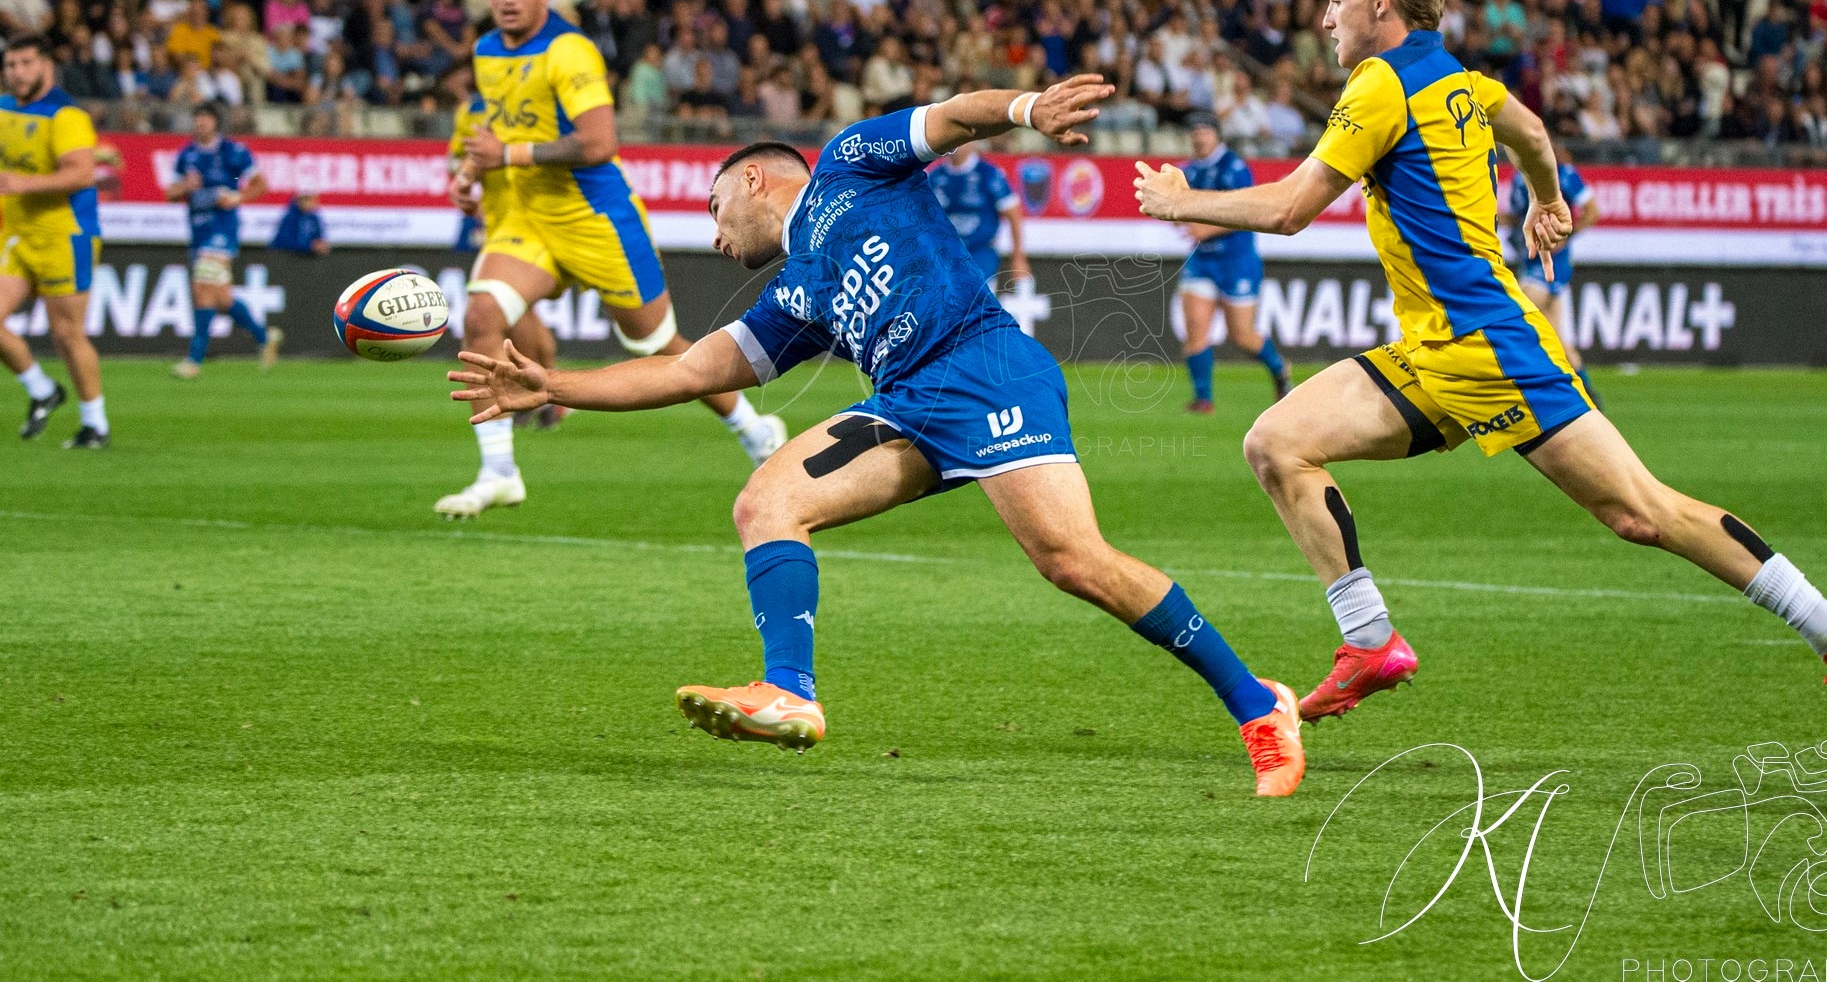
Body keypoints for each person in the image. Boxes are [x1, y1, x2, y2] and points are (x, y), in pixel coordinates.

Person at [1133, 0, 1827, 749]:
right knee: (1277, 443)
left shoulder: (1384, 85)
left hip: (1492, 348)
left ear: (1378, 3)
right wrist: (1546, 201)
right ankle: (1371, 641)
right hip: (1431, 354)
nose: (1324, 18)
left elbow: (1289, 209)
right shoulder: (1461, 81)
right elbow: (1529, 130)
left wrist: (1183, 204)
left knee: (1644, 513)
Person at [449, 76, 1309, 797]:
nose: (715, 235)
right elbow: (686, 372)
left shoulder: (853, 162)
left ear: (755, 182)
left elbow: (953, 118)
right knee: (767, 499)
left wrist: (1027, 110)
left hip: (986, 369)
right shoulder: (796, 295)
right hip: (904, 405)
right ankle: (790, 692)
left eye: (715, 209)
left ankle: (1257, 704)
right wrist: (554, 385)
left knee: (1073, 561)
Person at [442, 0, 785, 519]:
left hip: (598, 222)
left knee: (662, 351)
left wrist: (509, 154)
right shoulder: (484, 51)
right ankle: (498, 471)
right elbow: (502, 127)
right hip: (528, 221)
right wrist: (472, 171)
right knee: (480, 317)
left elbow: (599, 143)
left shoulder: (569, 51)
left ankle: (753, 429)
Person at [0, 36, 108, 448]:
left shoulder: (66, 115)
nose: (16, 72)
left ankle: (94, 423)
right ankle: (42, 389)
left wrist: (23, 184)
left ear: (46, 65)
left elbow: (81, 174)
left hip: (65, 235)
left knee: (66, 334)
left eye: (25, 63)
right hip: (17, 235)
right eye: (10, 64)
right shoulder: (5, 107)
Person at [447, 86, 564, 430]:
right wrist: (466, 175)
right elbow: (456, 157)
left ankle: (544, 391)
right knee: (514, 312)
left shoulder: (545, 101)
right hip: (500, 222)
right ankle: (540, 394)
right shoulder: (470, 111)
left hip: (547, 220)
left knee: (502, 311)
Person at [1174, 112, 1290, 412]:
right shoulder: (1188, 171)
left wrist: (1204, 228)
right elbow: (1178, 207)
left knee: (1243, 336)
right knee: (1196, 330)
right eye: (1195, 132)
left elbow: (1247, 211)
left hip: (1237, 261)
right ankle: (1203, 399)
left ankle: (1279, 368)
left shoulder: (1234, 167)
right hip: (1202, 261)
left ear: (1217, 135)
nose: (1199, 137)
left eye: (1204, 131)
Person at [165, 104, 283, 379]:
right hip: (198, 230)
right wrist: (185, 187)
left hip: (222, 229)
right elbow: (170, 193)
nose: (200, 123)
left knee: (201, 289)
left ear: (216, 122)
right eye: (197, 118)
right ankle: (265, 336)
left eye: (205, 118)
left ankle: (194, 359)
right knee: (220, 298)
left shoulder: (233, 151)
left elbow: (260, 184)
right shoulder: (187, 155)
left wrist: (237, 198)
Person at [1501, 147, 1601, 406]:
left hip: (1552, 262)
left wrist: (1566, 236)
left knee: (1518, 304)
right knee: (1559, 342)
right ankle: (1589, 399)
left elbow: (1591, 210)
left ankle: (1514, 383)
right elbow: (1518, 217)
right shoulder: (1518, 179)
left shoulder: (1562, 175)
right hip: (1529, 259)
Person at [926, 141, 1028, 290]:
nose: (956, 146)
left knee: (978, 306)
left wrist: (1018, 257)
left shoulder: (989, 174)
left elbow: (1013, 214)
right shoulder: (935, 177)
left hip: (980, 255)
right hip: (946, 256)